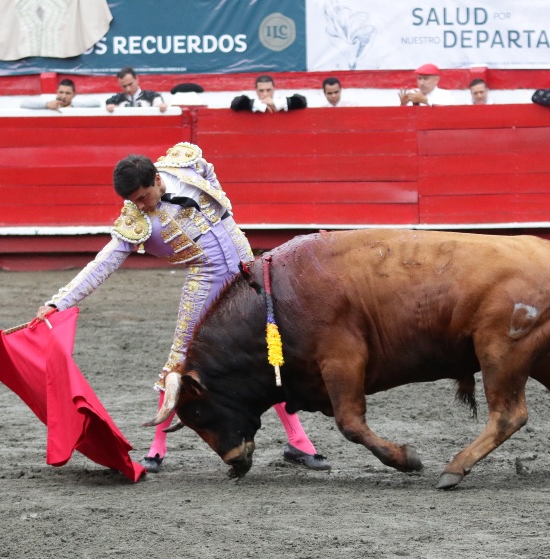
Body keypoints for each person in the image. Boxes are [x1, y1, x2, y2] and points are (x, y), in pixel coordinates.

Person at [35, 142, 331, 474]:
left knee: (268, 353)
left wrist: (224, 215)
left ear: (157, 180)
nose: (139, 206)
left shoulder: (185, 166)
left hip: (247, 273)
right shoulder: (136, 220)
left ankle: (300, 443)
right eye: (131, 201)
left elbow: (209, 171)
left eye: (142, 197)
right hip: (204, 284)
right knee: (178, 363)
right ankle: (157, 449)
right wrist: (59, 301)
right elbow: (103, 263)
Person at [230, 74, 307, 113]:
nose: (265, 94)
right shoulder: (251, 104)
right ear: (256, 91)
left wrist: (275, 103)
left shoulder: (281, 101)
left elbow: (302, 100)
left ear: (274, 89)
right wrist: (260, 105)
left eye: (268, 90)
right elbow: (235, 103)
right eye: (261, 91)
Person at [20, 79, 100, 110]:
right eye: (61, 92)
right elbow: (24, 104)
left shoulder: (75, 105)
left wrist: (72, 106)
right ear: (57, 92)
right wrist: (46, 105)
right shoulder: (49, 104)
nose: (64, 96)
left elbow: (97, 103)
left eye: (68, 93)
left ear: (74, 95)